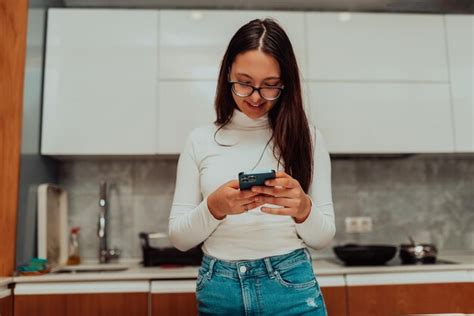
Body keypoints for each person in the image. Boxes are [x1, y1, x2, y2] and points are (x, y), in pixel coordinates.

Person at [169, 18, 335, 316]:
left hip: (290, 286)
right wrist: (214, 207)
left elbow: (323, 238)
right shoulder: (200, 140)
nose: (256, 97)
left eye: (270, 86)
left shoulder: (307, 138)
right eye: (244, 83)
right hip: (219, 287)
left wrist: (303, 208)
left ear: (286, 83)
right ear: (227, 73)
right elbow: (179, 238)